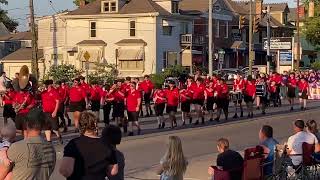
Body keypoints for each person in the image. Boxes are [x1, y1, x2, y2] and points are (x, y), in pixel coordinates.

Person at [59, 112, 118, 180]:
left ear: (80, 126)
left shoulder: (73, 144)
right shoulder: (107, 144)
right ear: (95, 125)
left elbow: (65, 170)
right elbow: (113, 171)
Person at [7, 108, 56, 180]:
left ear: (26, 124)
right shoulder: (51, 148)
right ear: (43, 125)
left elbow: (3, 170)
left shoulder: (17, 147)